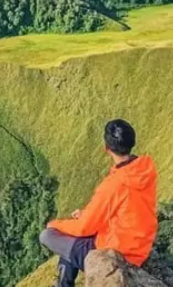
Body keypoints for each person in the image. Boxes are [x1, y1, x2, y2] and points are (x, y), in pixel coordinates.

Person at [39, 119, 158, 287]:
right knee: (73, 240)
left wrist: (54, 224)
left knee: (48, 235)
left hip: (117, 252)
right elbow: (127, 210)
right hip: (139, 245)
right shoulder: (144, 170)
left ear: (106, 149)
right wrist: (85, 217)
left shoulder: (115, 184)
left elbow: (84, 228)